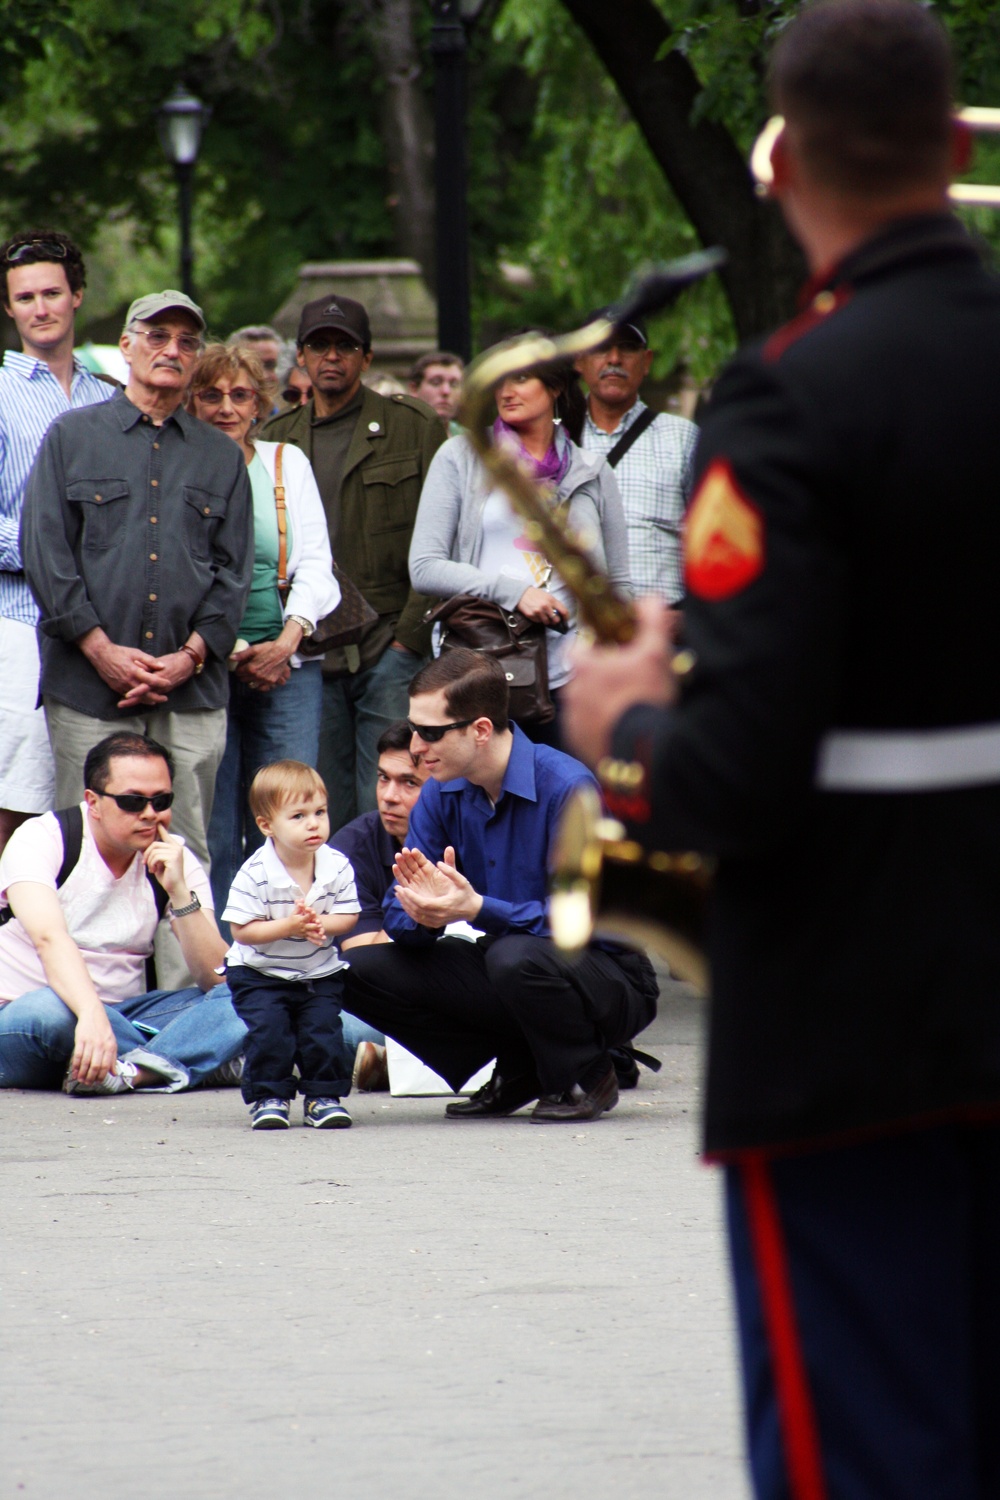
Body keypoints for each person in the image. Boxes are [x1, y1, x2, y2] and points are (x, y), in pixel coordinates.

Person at [563, 3, 1000, 1495]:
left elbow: (739, 774)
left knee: (867, 1451)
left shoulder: (797, 392)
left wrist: (627, 724)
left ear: (782, 160)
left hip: (851, 1000)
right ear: (954, 148)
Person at [20, 290, 253, 987]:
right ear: (125, 345)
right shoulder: (72, 437)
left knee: (187, 849)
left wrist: (186, 658)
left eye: (186, 340)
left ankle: (187, 1013)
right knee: (85, 845)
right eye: (157, 335)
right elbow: (47, 554)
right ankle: (78, 1005)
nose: (171, 351)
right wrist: (100, 649)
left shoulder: (220, 457)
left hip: (193, 690)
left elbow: (234, 575)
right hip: (87, 684)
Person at [344, 650, 659, 1122]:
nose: (415, 746)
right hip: (514, 962)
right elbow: (400, 912)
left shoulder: (568, 787)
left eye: (430, 733)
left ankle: (586, 1073)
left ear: (481, 730)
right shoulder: (439, 790)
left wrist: (476, 908)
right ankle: (524, 1067)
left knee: (511, 956)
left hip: (611, 975)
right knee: (355, 969)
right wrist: (421, 913)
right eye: (413, 728)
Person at [259, 294, 445, 831]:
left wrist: (408, 639)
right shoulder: (275, 438)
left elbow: (443, 537)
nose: (332, 356)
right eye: (319, 345)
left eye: (346, 346)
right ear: (301, 357)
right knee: (317, 806)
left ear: (367, 358)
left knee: (393, 800)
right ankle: (339, 913)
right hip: (308, 651)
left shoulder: (412, 426)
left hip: (389, 642)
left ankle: (401, 908)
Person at [408, 339, 630, 747]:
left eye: (522, 378)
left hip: (574, 676)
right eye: (499, 380)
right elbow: (424, 566)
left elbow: (619, 584)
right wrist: (515, 593)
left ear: (556, 386)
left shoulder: (593, 471)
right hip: (478, 669)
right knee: (482, 804)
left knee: (568, 801)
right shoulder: (460, 456)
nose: (506, 390)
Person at [186, 343, 339, 929]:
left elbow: (317, 565)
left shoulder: (284, 462)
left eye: (240, 395)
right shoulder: (178, 464)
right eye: (211, 394)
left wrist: (287, 641)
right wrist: (219, 647)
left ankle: (298, 941)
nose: (226, 407)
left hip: (288, 667)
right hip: (202, 667)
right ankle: (226, 956)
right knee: (214, 825)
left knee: (293, 817)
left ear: (259, 404)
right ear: (192, 402)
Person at [0, 732, 245, 1094]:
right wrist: (90, 1015)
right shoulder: (43, 838)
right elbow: (50, 939)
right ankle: (211, 1059)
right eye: (133, 802)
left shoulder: (173, 856)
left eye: (161, 800)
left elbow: (217, 978)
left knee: (248, 994)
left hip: (129, 1014)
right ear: (93, 802)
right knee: (50, 1009)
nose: (150, 813)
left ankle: (132, 1070)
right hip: (29, 1012)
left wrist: (179, 892)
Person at [0, 231, 114, 853]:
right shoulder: (1, 396)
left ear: (76, 298)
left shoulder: (109, 398)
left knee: (85, 801)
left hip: (102, 631)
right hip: (18, 624)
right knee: (15, 801)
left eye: (51, 293)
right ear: (10, 309)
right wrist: (54, 558)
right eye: (25, 297)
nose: (40, 308)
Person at [222, 760, 360, 1130]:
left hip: (317, 968)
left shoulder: (337, 865)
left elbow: (348, 917)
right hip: (259, 971)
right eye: (298, 816)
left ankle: (322, 1096)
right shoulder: (256, 873)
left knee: (323, 1031)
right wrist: (290, 926)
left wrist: (318, 925)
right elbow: (242, 929)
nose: (314, 823)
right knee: (270, 1031)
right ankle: (270, 1096)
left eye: (320, 812)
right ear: (267, 825)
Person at [331, 718, 429, 1091]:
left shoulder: (468, 834)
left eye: (409, 783)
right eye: (383, 778)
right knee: (291, 1014)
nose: (388, 795)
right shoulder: (353, 845)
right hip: (378, 1003)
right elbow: (363, 964)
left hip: (462, 996)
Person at [575, 313, 697, 604]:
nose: (614, 358)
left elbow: (715, 544)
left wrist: (686, 621)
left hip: (662, 633)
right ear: (579, 361)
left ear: (647, 361)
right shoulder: (557, 439)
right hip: (574, 635)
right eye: (602, 347)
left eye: (627, 348)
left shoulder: (684, 438)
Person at [407, 350, 465, 432]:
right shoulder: (397, 436)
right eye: (436, 382)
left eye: (454, 384)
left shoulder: (470, 440)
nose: (446, 391)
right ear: (414, 389)